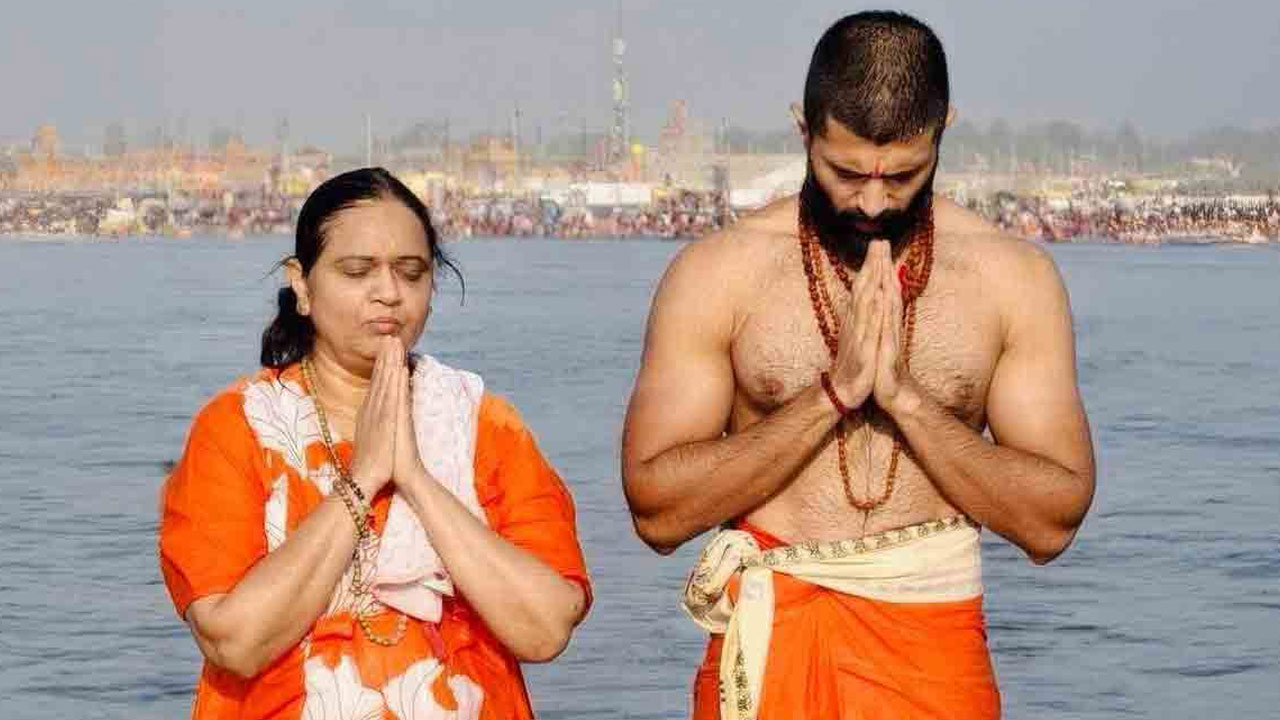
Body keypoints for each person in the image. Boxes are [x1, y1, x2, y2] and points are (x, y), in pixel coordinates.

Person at [621, 11, 1095, 720]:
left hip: (933, 651)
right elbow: (656, 512)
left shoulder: (1012, 279)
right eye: (844, 172)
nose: (873, 201)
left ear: (943, 131)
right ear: (802, 129)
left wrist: (906, 400)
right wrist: (831, 397)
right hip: (774, 635)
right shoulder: (718, 274)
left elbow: (1052, 524)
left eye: (904, 175)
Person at [159, 167, 590, 720]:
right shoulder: (237, 427)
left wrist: (414, 477)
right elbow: (233, 642)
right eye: (357, 271)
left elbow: (546, 628)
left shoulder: (483, 425)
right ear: (302, 285)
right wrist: (362, 480)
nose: (389, 293)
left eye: (411, 273)